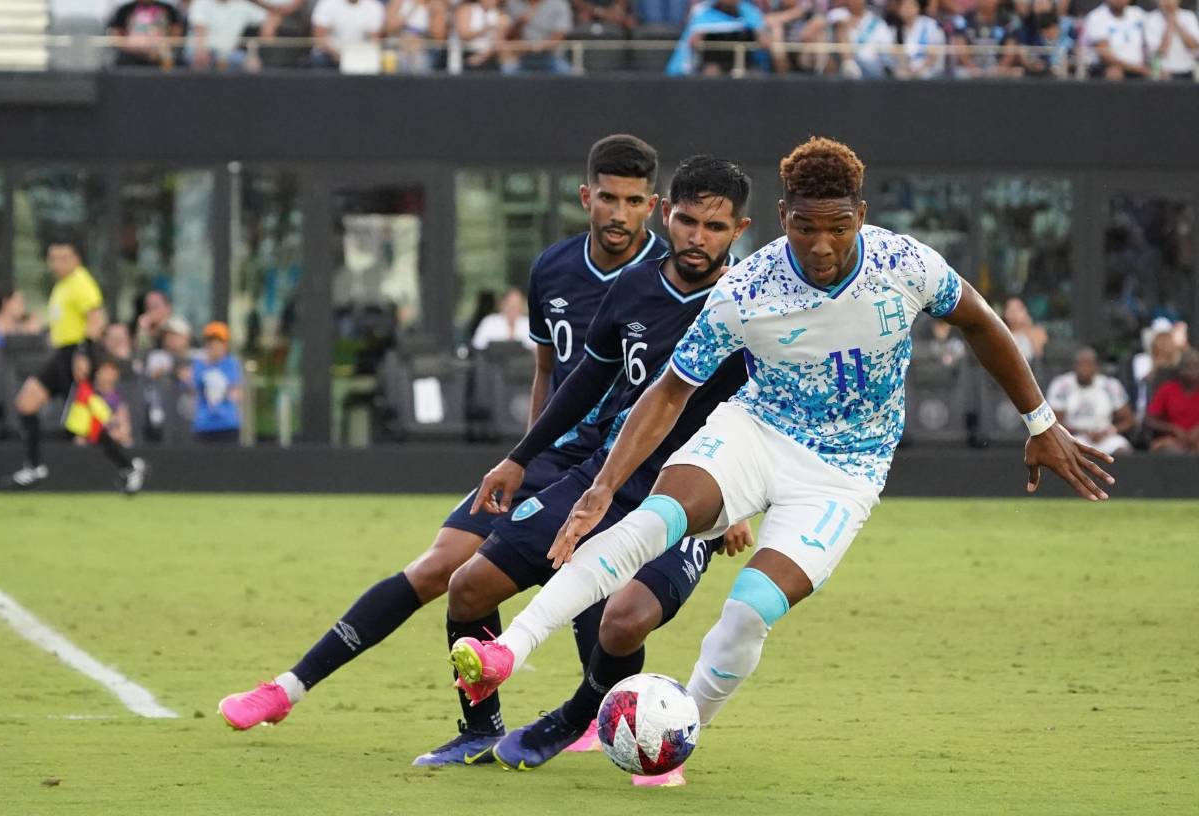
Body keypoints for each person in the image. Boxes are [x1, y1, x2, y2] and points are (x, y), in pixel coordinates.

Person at [450, 138, 1116, 774]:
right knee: (653, 518)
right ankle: (511, 649)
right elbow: (670, 390)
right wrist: (603, 484)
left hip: (844, 472)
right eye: (804, 228)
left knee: (749, 611)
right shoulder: (747, 288)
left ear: (862, 215)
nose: (821, 246)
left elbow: (979, 320)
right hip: (756, 432)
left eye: (837, 227)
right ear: (780, 219)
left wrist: (1040, 421)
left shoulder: (904, 265)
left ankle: (676, 732)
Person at [215, 135, 667, 767]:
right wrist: (527, 454)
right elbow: (547, 370)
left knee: (593, 588)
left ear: (654, 206)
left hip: (626, 470)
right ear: (586, 196)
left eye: (634, 201)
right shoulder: (553, 269)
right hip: (552, 458)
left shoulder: (673, 278)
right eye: (609, 198)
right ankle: (290, 688)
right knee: (439, 569)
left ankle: (592, 716)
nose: (619, 214)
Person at [444, 155, 752, 787]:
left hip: (695, 493)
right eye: (688, 220)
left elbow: (771, 410)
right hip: (604, 474)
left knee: (624, 618)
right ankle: (479, 731)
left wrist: (741, 504)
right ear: (667, 215)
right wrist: (520, 456)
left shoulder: (751, 304)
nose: (698, 237)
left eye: (715, 228)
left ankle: (582, 716)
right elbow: (585, 380)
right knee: (468, 588)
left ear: (739, 230)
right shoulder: (636, 287)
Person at [9, 240, 149, 493]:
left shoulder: (81, 283)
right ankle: (34, 466)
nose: (56, 264)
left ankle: (128, 465)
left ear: (76, 259)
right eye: (52, 258)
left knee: (84, 422)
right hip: (61, 355)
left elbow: (95, 319)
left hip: (76, 354)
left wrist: (83, 353)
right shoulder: (61, 286)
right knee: (26, 403)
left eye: (63, 258)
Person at [1045, 347, 1134, 457]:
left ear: (1096, 366)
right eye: (1080, 364)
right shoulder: (1062, 384)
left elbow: (1128, 420)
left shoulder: (1110, 385)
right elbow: (1054, 422)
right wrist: (1083, 432)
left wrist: (1109, 431)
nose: (1083, 369)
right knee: (1064, 450)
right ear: (1075, 366)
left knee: (1123, 449)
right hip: (1075, 435)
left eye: (1088, 364)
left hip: (1105, 435)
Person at [185, 0, 279, 71]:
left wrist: (267, 31)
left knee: (252, 65)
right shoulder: (201, 2)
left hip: (228, 53)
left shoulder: (242, 4)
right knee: (199, 62)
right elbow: (200, 30)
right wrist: (201, 50)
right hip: (200, 50)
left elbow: (271, 16)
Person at [191, 321, 244, 445]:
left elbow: (235, 391)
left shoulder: (231, 364)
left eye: (218, 342)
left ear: (225, 345)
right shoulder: (199, 364)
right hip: (204, 425)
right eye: (210, 342)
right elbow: (193, 387)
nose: (214, 346)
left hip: (227, 424)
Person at [1145, 347, 1199, 453]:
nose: (1191, 370)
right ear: (1179, 368)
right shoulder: (1167, 389)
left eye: (1195, 366)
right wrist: (1173, 429)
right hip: (1172, 440)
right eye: (1187, 366)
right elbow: (1149, 420)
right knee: (1169, 449)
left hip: (1196, 441)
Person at [310, 0, 387, 69]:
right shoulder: (326, 3)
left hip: (360, 56)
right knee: (319, 60)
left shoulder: (374, 6)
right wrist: (338, 55)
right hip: (330, 55)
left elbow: (374, 40)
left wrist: (354, 57)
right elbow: (319, 38)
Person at [1083, 0, 1149, 80]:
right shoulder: (1096, 17)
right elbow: (1105, 56)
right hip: (1106, 68)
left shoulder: (1138, 14)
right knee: (1114, 73)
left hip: (1139, 68)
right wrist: (1137, 69)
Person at [107, 0, 184, 69]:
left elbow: (177, 33)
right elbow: (115, 33)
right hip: (131, 57)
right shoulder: (124, 9)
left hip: (160, 56)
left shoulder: (168, 8)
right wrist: (131, 46)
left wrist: (162, 46)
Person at [1144, 0, 1199, 81]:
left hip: (1188, 70)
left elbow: (1194, 46)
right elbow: (1161, 51)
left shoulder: (1189, 16)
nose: (1167, 2)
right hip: (1164, 73)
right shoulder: (1151, 18)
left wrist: (1176, 23)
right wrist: (1170, 23)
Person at [471, 287, 537, 351]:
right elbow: (477, 347)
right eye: (510, 304)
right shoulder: (489, 322)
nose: (513, 308)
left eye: (517, 304)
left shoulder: (530, 324)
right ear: (503, 304)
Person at [456, 0, 510, 70]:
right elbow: (463, 35)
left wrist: (482, 57)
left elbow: (499, 40)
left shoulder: (500, 14)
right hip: (466, 54)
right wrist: (485, 29)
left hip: (489, 56)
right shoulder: (467, 9)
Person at [1003, 296, 1048, 363]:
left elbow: (1039, 354)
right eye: (1010, 309)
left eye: (1017, 309)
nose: (1013, 313)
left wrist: (1027, 327)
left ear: (1025, 311)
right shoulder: (1003, 335)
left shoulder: (1037, 332)